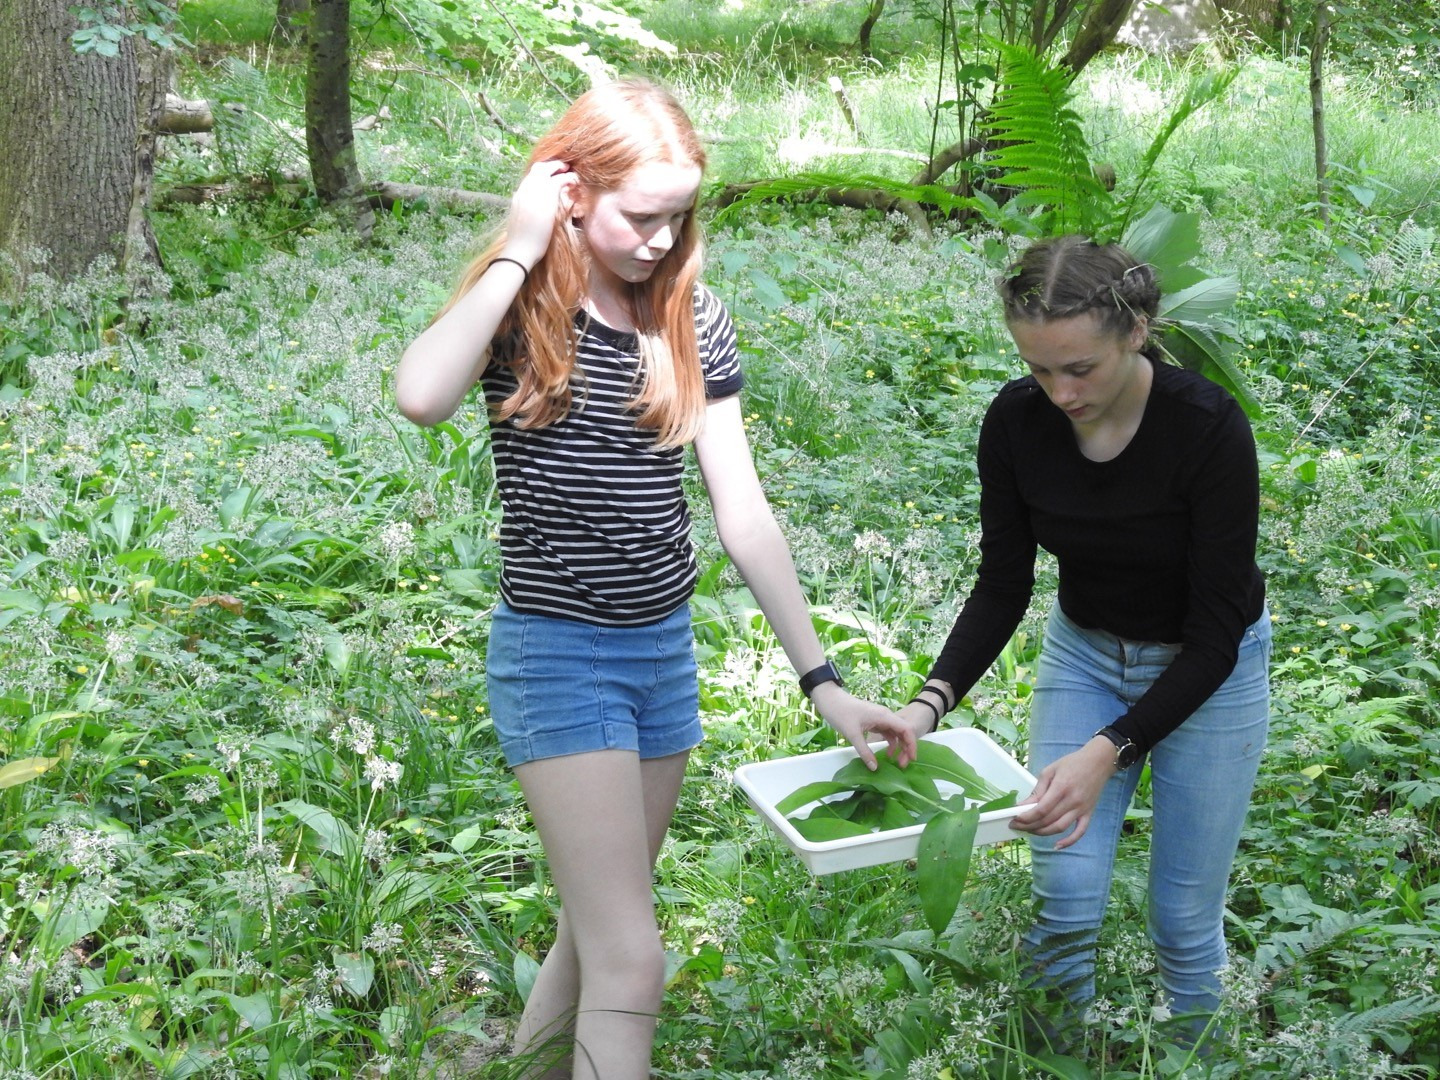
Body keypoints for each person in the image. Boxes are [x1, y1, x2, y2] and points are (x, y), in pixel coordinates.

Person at [395, 78, 913, 1080]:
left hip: (661, 657)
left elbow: (743, 512)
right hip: (557, 656)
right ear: (571, 193)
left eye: (679, 216)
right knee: (633, 957)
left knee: (595, 935)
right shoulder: (523, 311)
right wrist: (518, 243)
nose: (662, 240)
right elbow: (420, 395)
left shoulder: (690, 318)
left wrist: (824, 683)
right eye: (641, 217)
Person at [897, 235, 1269, 1040]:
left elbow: (1214, 638)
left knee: (1182, 917)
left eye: (1080, 368)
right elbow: (1003, 585)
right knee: (1062, 896)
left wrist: (1111, 749)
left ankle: (1195, 1053)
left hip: (1213, 672)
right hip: (1087, 657)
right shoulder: (1016, 422)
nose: (1060, 392)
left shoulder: (1206, 428)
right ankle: (1053, 1050)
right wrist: (927, 706)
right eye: (1039, 369)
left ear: (1136, 331)